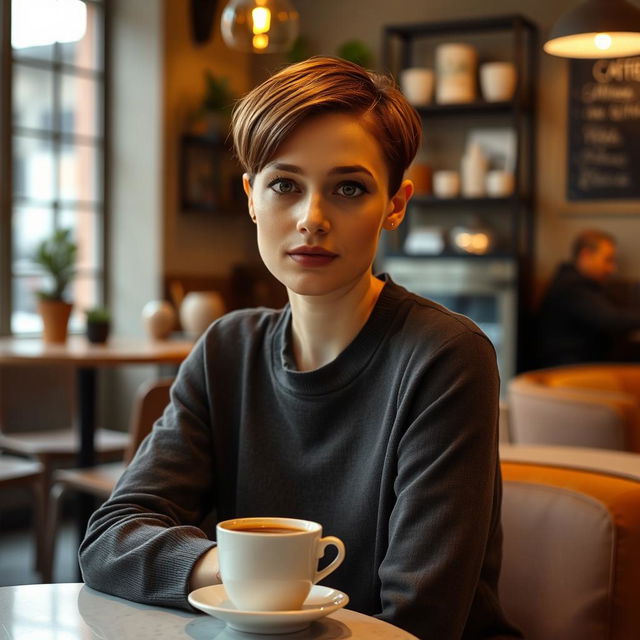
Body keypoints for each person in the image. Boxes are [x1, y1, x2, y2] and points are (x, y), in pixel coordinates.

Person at [79, 57, 521, 640]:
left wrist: (252, 595)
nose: (312, 219)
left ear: (395, 204)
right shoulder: (226, 350)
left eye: (349, 188)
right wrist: (250, 576)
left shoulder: (445, 356)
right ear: (252, 197)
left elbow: (421, 618)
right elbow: (111, 538)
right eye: (285, 185)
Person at [537, 229, 640, 367]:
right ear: (585, 255)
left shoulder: (575, 281)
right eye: (607, 260)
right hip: (567, 370)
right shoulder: (572, 286)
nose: (612, 269)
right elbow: (611, 320)